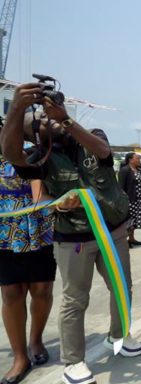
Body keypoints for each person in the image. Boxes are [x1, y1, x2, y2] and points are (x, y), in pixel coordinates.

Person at [1, 83, 141, 384]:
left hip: (113, 231)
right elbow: (12, 154)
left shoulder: (90, 137)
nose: (48, 119)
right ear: (34, 136)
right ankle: (74, 361)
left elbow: (103, 151)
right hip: (74, 237)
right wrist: (16, 109)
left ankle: (119, 335)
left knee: (122, 287)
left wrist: (65, 119)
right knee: (75, 299)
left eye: (48, 115)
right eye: (40, 121)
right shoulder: (40, 159)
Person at [0, 117, 55, 384]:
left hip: (40, 230)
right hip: (6, 234)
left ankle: (36, 340)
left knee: (42, 289)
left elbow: (42, 194)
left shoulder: (37, 154)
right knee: (12, 292)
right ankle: (19, 356)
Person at [118, 152, 141, 247]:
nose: (139, 160)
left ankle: (131, 239)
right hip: (130, 200)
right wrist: (123, 201)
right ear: (130, 160)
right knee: (128, 222)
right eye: (137, 158)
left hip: (139, 200)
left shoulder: (139, 170)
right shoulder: (124, 170)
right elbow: (121, 187)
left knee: (134, 221)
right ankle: (124, 241)